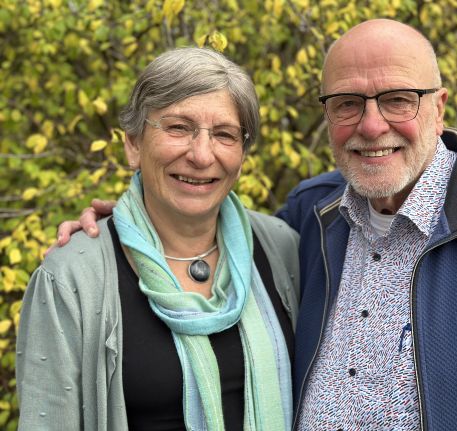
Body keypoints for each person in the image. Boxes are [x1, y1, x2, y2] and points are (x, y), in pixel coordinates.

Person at [53, 19, 457, 430]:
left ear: (438, 109)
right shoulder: (311, 216)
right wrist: (135, 222)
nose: (372, 125)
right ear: (327, 115)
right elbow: (208, 235)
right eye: (347, 104)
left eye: (398, 99)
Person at [16, 47, 299, 431]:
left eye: (224, 134)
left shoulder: (283, 249)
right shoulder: (70, 279)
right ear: (134, 144)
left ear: (243, 155)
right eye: (178, 127)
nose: (202, 155)